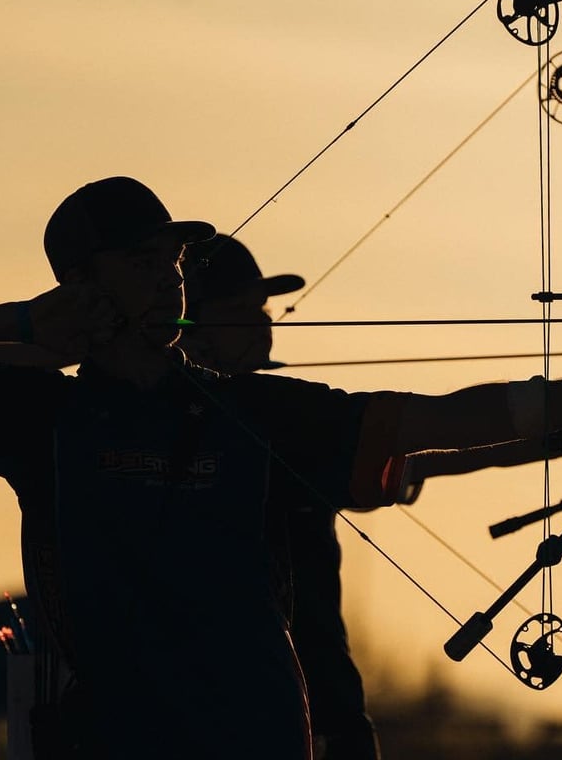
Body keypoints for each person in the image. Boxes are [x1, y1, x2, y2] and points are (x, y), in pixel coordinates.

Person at [0, 176, 562, 758]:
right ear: (86, 286)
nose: (173, 277)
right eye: (145, 261)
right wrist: (22, 324)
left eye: (174, 259)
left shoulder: (251, 414)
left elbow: (450, 421)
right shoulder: (40, 416)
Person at [180, 234, 381, 760]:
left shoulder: (295, 415)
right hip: (234, 715)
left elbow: (413, 452)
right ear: (187, 328)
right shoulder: (165, 423)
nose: (262, 322)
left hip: (326, 707)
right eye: (237, 309)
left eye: (262, 308)